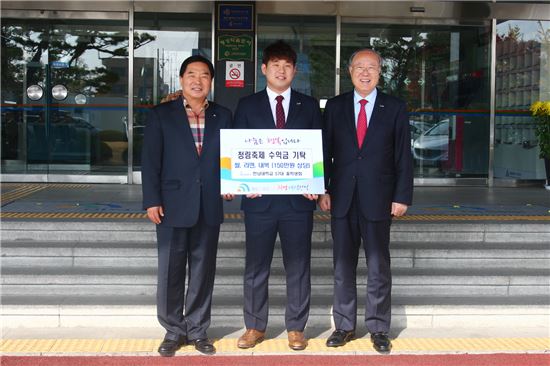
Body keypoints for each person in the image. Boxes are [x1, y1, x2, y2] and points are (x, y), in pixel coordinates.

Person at [318, 48, 413, 353]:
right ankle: (344, 325)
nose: (365, 72)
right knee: (343, 265)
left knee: (378, 265)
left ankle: (378, 327)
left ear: (379, 73)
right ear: (349, 71)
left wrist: (401, 196)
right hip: (342, 197)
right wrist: (323, 189)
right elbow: (324, 152)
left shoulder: (395, 107)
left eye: (371, 67)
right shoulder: (335, 107)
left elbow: (403, 157)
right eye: (359, 67)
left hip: (379, 199)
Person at [233, 40, 322, 351]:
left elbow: (318, 150)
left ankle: (296, 328)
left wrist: (316, 183)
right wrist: (241, 180)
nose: (281, 71)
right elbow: (239, 149)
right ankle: (255, 326)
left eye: (287, 66)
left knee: (298, 266)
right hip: (259, 202)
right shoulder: (247, 105)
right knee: (256, 266)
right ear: (264, 69)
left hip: (298, 203)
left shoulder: (308, 105)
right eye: (275, 66)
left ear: (295, 71)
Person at [141, 55, 233, 357]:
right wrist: (152, 199)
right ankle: (173, 330)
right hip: (171, 204)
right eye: (191, 74)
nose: (197, 80)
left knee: (203, 270)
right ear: (181, 80)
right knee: (170, 270)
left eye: (204, 75)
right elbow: (151, 162)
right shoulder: (161, 114)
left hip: (208, 204)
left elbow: (231, 157)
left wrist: (233, 184)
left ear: (211, 82)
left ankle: (197, 330)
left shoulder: (223, 115)